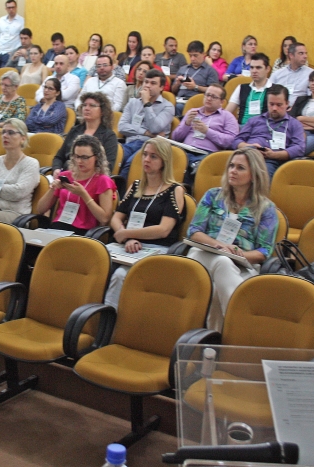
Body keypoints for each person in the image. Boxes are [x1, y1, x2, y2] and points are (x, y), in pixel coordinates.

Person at [186, 147, 278, 331]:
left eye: (240, 168)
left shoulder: (266, 208)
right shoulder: (213, 196)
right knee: (222, 261)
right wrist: (219, 245)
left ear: (253, 175)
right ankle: (241, 327)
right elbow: (194, 231)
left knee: (217, 288)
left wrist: (240, 253)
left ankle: (214, 341)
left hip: (243, 263)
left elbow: (264, 250)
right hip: (204, 254)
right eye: (231, 166)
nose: (233, 171)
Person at [105, 138, 185, 309]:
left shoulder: (174, 190)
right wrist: (127, 238)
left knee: (120, 275)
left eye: (153, 157)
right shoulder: (135, 186)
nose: (147, 160)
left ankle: (108, 323)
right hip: (129, 244)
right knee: (97, 264)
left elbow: (164, 230)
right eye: (145, 155)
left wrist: (127, 234)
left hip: (156, 247)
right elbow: (116, 218)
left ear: (164, 161)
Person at [36, 135, 116, 235]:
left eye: (85, 157)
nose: (79, 161)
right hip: (59, 227)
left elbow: (104, 219)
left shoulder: (103, 180)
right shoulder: (65, 175)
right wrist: (52, 189)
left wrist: (84, 195)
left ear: (96, 157)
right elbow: (40, 209)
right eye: (76, 156)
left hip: (83, 232)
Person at [232, 84, 305, 177]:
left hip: (271, 161)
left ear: (287, 103)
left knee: (263, 173)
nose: (274, 108)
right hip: (248, 156)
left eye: (279, 105)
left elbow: (299, 148)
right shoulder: (254, 120)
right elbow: (236, 141)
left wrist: (274, 155)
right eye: (271, 104)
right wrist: (249, 146)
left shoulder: (294, 124)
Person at [172, 84, 239, 184]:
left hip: (207, 154)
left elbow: (230, 141)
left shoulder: (227, 117)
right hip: (184, 150)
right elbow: (175, 137)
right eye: (207, 95)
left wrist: (207, 131)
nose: (209, 98)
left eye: (213, 97)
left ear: (222, 102)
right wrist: (186, 124)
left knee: (189, 164)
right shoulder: (192, 112)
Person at [118, 69, 174, 178]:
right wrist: (145, 132)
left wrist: (146, 103)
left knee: (129, 166)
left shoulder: (168, 107)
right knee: (112, 158)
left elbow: (155, 128)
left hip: (150, 148)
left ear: (161, 87)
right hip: (129, 143)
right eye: (146, 82)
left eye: (153, 83)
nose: (148, 86)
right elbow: (122, 127)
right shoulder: (133, 102)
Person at [52, 91, 118, 175]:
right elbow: (59, 157)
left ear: (102, 111)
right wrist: (56, 169)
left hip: (91, 179)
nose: (86, 108)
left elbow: (108, 167)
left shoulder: (108, 135)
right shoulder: (74, 130)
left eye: (92, 105)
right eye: (84, 105)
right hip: (66, 175)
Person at [171, 41, 220, 116]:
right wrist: (177, 84)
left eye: (195, 55)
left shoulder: (210, 71)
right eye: (190, 56)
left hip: (196, 101)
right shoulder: (183, 69)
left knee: (178, 107)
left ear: (203, 54)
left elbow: (214, 91)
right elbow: (173, 90)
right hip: (179, 99)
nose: (192, 59)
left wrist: (196, 87)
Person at [225, 53, 272, 126]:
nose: (254, 71)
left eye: (258, 68)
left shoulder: (274, 90)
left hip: (263, 130)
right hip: (241, 129)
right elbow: (227, 113)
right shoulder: (241, 88)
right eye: (252, 67)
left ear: (267, 69)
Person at [0, 0, 25, 69]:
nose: (11, 9)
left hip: (9, 53)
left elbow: (22, 38)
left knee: (4, 73)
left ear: (16, 8)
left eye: (13, 7)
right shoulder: (1, 20)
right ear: (6, 9)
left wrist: (15, 52)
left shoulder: (21, 20)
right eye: (9, 8)